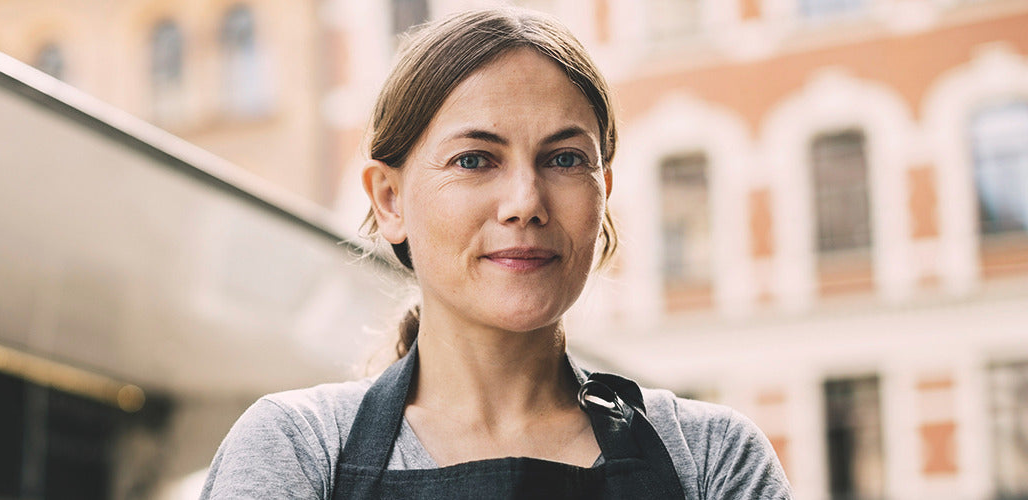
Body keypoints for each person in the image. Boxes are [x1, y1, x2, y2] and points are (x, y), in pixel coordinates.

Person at [199, 7, 790, 500]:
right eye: (475, 160)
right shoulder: (298, 450)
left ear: (603, 194)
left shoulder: (712, 459)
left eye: (564, 159)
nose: (525, 203)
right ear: (390, 200)